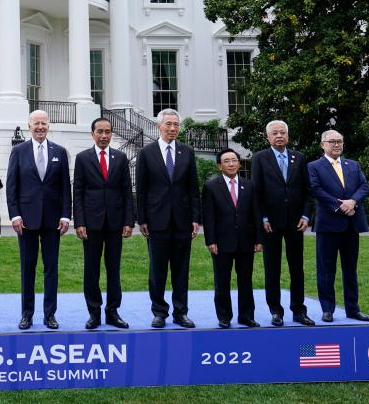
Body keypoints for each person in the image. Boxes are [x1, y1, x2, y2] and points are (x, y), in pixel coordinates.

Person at [6, 109, 71, 330]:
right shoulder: (18, 151)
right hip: (26, 221)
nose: (40, 127)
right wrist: (14, 214)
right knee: (28, 268)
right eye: (36, 124)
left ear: (49, 125)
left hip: (53, 221)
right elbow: (11, 186)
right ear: (29, 126)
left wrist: (65, 215)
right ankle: (27, 314)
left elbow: (65, 187)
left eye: (44, 123)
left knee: (51, 268)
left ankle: (50, 314)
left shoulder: (60, 152)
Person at [135, 108, 200, 328]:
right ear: (159, 126)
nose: (173, 129)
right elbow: (141, 189)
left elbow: (193, 188)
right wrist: (141, 218)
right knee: (158, 270)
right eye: (168, 124)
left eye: (176, 125)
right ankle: (159, 311)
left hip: (182, 220)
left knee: (181, 269)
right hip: (156, 220)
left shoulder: (187, 152)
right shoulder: (146, 153)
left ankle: (181, 312)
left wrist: (195, 218)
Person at [251, 120, 315, 327]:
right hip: (271, 223)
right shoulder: (260, 158)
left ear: (287, 135)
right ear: (268, 137)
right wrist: (263, 218)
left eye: (282, 133)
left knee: (297, 268)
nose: (279, 136)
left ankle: (298, 310)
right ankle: (276, 311)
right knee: (272, 268)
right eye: (275, 133)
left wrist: (306, 216)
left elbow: (307, 192)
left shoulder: (299, 157)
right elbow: (256, 192)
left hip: (296, 222)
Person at [73, 117, 134, 329]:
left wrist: (129, 220)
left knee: (113, 269)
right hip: (91, 223)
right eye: (100, 131)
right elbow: (78, 192)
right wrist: (79, 222)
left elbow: (127, 191)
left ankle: (112, 312)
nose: (104, 135)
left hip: (116, 223)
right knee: (91, 270)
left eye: (107, 131)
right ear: (92, 134)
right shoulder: (82, 158)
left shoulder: (120, 157)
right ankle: (94, 312)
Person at [308, 129, 369, 323]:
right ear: (322, 145)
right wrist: (339, 206)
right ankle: (328, 309)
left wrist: (352, 202)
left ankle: (353, 309)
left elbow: (364, 186)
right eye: (332, 141)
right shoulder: (314, 166)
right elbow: (316, 189)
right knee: (326, 269)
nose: (336, 144)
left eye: (340, 141)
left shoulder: (353, 165)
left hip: (352, 224)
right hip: (328, 225)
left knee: (350, 270)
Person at [203, 148, 263, 328]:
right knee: (222, 281)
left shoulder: (249, 185)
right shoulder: (211, 186)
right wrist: (210, 240)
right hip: (222, 242)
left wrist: (259, 239)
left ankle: (246, 316)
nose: (231, 164)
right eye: (227, 161)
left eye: (234, 160)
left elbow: (256, 213)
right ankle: (224, 316)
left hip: (246, 241)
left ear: (239, 162)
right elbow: (209, 216)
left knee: (246, 280)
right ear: (220, 166)